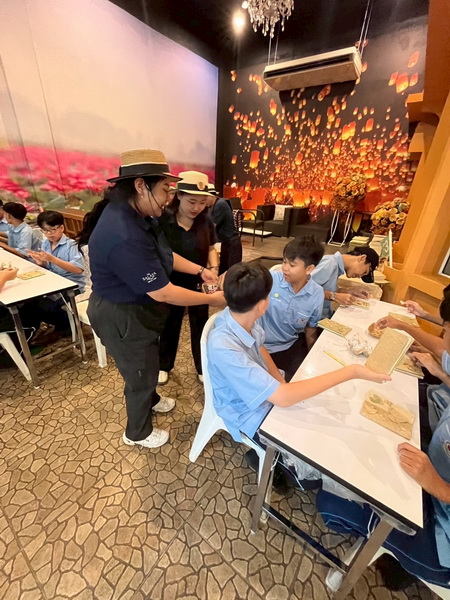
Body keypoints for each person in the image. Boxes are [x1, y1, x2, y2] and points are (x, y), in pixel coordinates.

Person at [84, 149, 225, 450]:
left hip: (136, 310)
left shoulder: (136, 215)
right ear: (140, 186)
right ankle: (137, 433)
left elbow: (164, 255)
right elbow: (163, 291)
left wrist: (200, 270)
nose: (167, 197)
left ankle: (153, 398)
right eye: (164, 189)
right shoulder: (123, 233)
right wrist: (215, 300)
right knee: (140, 375)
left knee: (147, 363)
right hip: (121, 314)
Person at [317, 291, 450, 590]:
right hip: (432, 471)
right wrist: (440, 373)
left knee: (330, 503)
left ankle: (391, 561)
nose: (442, 341)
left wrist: (437, 486)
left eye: (446, 332)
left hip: (443, 534)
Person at [207, 261, 390, 445]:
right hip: (246, 414)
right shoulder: (223, 346)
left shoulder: (242, 317)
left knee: (318, 405)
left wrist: (278, 378)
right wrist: (352, 371)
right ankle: (275, 460)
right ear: (262, 305)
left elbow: (260, 346)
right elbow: (283, 397)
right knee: (317, 438)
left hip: (265, 393)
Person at [158, 171, 218, 385]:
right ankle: (164, 365)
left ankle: (201, 367)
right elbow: (167, 256)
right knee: (169, 324)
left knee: (200, 324)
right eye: (192, 201)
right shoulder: (163, 221)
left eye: (202, 202)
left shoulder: (205, 221)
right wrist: (202, 270)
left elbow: (211, 248)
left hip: (200, 282)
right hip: (171, 281)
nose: (196, 208)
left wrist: (214, 267)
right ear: (179, 195)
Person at [258, 236, 325, 381]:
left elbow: (310, 329)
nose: (285, 268)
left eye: (292, 265)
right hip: (260, 346)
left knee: (303, 380)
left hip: (288, 346)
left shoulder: (316, 293)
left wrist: (312, 358)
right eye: (284, 261)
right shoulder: (271, 279)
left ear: (309, 269)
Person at [26, 210, 85, 343]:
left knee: (47, 306)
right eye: (45, 231)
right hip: (54, 284)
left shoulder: (72, 245)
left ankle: (67, 326)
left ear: (61, 228)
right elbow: (48, 266)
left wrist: (52, 259)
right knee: (31, 303)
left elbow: (78, 269)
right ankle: (59, 325)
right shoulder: (46, 243)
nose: (49, 234)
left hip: (72, 286)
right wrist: (40, 262)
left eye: (52, 230)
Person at [311, 246, 379, 318]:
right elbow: (304, 288)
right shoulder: (330, 263)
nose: (360, 276)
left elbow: (323, 288)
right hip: (312, 319)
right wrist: (334, 297)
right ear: (362, 258)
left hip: (324, 314)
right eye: (364, 272)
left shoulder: (335, 266)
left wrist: (348, 291)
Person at [205, 184, 242, 274]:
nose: (204, 202)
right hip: (226, 241)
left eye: (204, 199)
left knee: (231, 272)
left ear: (210, 196)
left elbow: (211, 227)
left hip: (232, 243)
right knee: (223, 270)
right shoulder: (214, 205)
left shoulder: (220, 205)